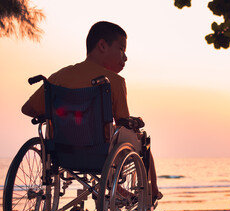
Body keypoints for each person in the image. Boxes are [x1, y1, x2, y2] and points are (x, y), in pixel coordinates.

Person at [21, 21, 162, 201]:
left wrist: (61, 114)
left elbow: (28, 109)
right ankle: (153, 192)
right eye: (121, 49)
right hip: (99, 152)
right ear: (102, 45)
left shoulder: (58, 77)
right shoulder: (114, 82)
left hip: (61, 152)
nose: (125, 57)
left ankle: (120, 190)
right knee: (143, 141)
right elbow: (122, 123)